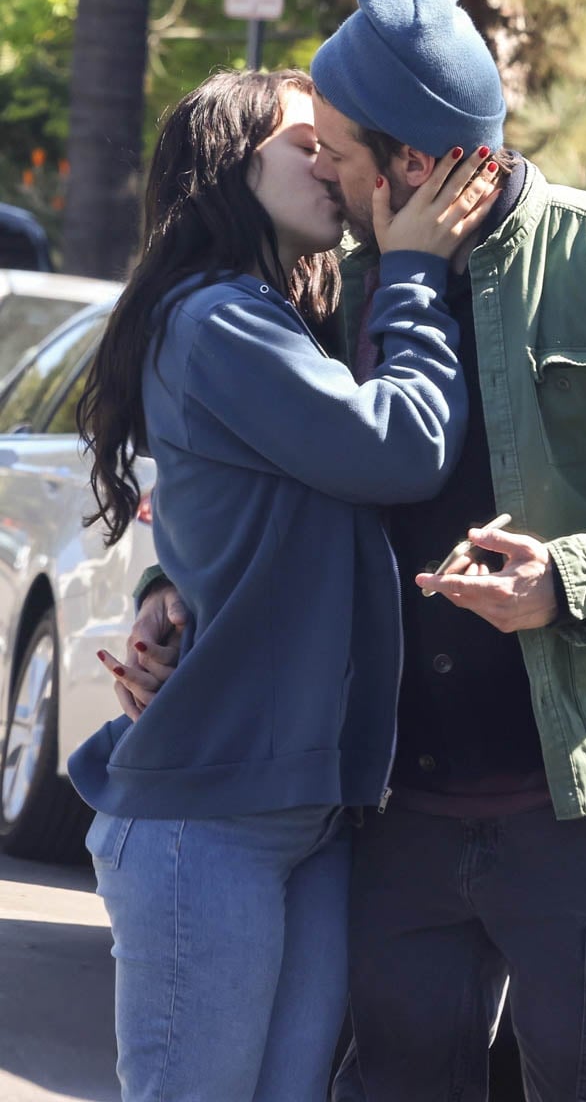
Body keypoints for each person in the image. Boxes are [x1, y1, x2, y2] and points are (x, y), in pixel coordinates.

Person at [106, 0, 586, 1102]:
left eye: (334, 150)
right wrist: (173, 589)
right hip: (391, 807)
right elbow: (275, 475)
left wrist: (573, 576)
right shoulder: (345, 281)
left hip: (576, 803)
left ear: (407, 164)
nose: (318, 167)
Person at [67, 64, 500, 1102]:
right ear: (226, 168)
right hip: (209, 817)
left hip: (306, 812)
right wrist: (412, 274)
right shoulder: (218, 318)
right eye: (299, 142)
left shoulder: (270, 319)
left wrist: (166, 590)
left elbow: (257, 520)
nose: (327, 159)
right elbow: (398, 450)